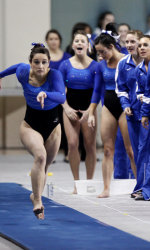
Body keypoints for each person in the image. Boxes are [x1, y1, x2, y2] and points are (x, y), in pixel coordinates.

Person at [0, 43, 66, 219]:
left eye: (44, 62)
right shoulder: (23, 72)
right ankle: (38, 201)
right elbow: (14, 68)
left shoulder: (55, 75)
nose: (40, 66)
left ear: (49, 63)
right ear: (30, 63)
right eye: (36, 62)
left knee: (45, 166)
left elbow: (61, 96)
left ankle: (34, 195)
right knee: (41, 156)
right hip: (30, 124)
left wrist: (46, 94)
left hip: (53, 126)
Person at [88, 24, 136, 198]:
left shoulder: (127, 60)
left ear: (111, 47)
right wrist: (91, 111)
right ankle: (106, 188)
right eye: (98, 52)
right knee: (108, 150)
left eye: (102, 52)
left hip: (125, 106)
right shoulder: (101, 66)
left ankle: (140, 187)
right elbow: (96, 89)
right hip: (108, 105)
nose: (100, 56)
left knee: (130, 150)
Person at [59, 30, 98, 194]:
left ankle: (89, 182)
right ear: (73, 45)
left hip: (89, 108)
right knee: (73, 144)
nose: (80, 43)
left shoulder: (95, 66)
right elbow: (59, 89)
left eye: (83, 41)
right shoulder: (65, 65)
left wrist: (90, 110)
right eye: (77, 41)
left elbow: (97, 90)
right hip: (70, 108)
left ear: (88, 45)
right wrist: (66, 108)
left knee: (89, 146)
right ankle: (77, 182)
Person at [45, 29, 71, 161]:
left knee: (65, 125)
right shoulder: (44, 57)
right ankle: (49, 154)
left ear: (60, 41)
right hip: (48, 95)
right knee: (49, 125)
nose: (54, 41)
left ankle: (68, 153)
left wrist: (63, 90)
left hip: (63, 95)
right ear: (47, 41)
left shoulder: (66, 57)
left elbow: (68, 75)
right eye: (51, 39)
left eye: (56, 39)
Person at [134, 35, 150, 200]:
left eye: (146, 45)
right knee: (142, 150)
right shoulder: (138, 69)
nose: (142, 48)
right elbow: (140, 91)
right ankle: (143, 188)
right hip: (145, 112)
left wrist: (145, 113)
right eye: (141, 46)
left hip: (146, 113)